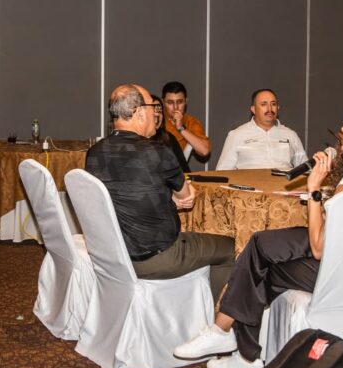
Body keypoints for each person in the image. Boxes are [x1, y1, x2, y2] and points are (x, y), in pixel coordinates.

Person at [175, 97, 343, 368]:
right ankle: (227, 337)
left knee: (262, 267)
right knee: (262, 244)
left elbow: (320, 248)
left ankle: (238, 347)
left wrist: (314, 191)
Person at [86, 84, 235, 299]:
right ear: (138, 112)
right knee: (230, 248)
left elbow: (121, 198)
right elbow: (187, 197)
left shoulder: (94, 153)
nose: (157, 112)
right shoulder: (157, 152)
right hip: (155, 256)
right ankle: (213, 320)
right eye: (151, 107)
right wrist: (176, 197)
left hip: (112, 255)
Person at [215, 88, 307, 170]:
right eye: (264, 104)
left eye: (273, 104)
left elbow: (305, 169)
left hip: (282, 187)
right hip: (249, 188)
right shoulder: (237, 135)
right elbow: (222, 172)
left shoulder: (291, 135)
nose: (269, 109)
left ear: (278, 108)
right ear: (253, 109)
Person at [161, 81, 210, 163]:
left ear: (186, 101)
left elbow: (204, 151)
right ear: (163, 102)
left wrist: (181, 128)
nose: (175, 107)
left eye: (180, 102)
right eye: (170, 102)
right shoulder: (156, 120)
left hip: (179, 171)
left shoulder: (190, 122)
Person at [152, 90, 190, 174]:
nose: (157, 114)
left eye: (159, 110)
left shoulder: (169, 139)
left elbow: (184, 172)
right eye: (152, 110)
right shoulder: (132, 142)